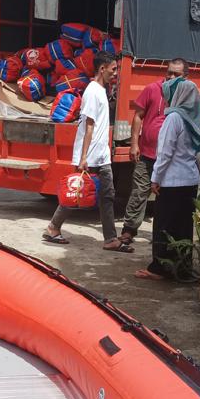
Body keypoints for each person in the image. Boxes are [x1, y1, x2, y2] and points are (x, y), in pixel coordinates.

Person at [43, 51, 130, 252]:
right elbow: (88, 126)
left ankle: (110, 239)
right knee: (77, 193)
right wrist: (83, 157)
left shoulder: (101, 90)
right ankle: (53, 227)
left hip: (101, 154)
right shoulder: (92, 91)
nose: (115, 73)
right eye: (113, 69)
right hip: (90, 156)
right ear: (102, 69)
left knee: (107, 195)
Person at [135, 76, 200, 282]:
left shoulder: (173, 118)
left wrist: (155, 178)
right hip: (189, 181)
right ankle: (182, 267)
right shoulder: (193, 118)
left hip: (172, 181)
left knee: (164, 226)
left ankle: (159, 268)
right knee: (183, 227)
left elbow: (164, 152)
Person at [120, 58, 186, 245]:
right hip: (147, 154)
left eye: (177, 74)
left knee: (166, 197)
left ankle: (162, 235)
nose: (172, 77)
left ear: (185, 77)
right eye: (169, 73)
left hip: (170, 159)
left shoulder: (185, 95)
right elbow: (138, 116)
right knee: (139, 191)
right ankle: (129, 230)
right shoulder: (152, 89)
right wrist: (134, 144)